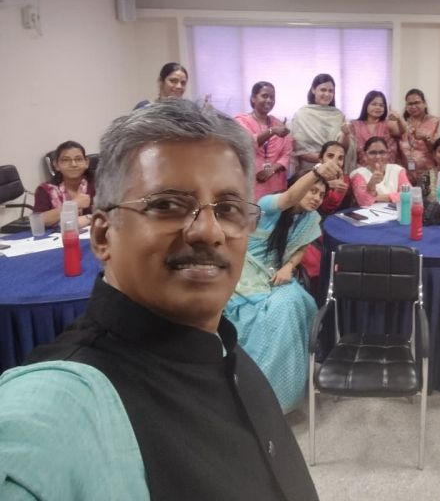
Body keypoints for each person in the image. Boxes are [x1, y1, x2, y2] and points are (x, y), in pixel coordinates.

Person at [0, 100, 319, 500]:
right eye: (167, 205)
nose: (209, 231)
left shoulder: (222, 346)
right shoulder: (65, 403)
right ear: (102, 236)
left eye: (228, 208)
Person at [225, 158, 341, 412]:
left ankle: (284, 383)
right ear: (299, 184)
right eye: (312, 190)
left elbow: (300, 249)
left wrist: (289, 267)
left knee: (300, 303)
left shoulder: (309, 219)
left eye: (321, 194)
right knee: (282, 309)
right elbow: (289, 198)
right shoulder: (268, 204)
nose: (316, 198)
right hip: (245, 276)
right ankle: (261, 393)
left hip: (277, 276)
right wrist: (317, 172)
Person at [234, 81, 293, 200]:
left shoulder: (278, 123)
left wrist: (271, 170)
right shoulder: (241, 121)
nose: (269, 100)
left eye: (272, 97)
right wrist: (272, 131)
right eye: (264, 96)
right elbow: (248, 144)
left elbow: (287, 153)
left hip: (276, 183)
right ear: (253, 98)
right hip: (252, 182)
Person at [291, 73, 348, 176]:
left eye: (331, 91)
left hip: (334, 169)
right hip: (309, 170)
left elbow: (343, 148)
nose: (327, 94)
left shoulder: (339, 116)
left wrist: (347, 134)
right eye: (323, 90)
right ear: (313, 90)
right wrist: (325, 160)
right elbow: (300, 150)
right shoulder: (301, 114)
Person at [34, 140, 95, 228]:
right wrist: (73, 205)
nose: (73, 164)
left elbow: (116, 213)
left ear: (86, 163)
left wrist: (89, 217)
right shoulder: (45, 190)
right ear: (56, 165)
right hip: (57, 238)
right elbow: (38, 221)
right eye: (66, 160)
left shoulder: (99, 183)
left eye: (78, 159)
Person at [397, 88, 440, 183]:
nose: (413, 106)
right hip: (406, 178)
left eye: (417, 102)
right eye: (410, 104)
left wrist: (426, 138)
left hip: (431, 177)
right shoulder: (402, 125)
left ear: (425, 104)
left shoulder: (438, 122)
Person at [345, 90, 401, 166]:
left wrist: (399, 119)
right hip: (362, 171)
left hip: (386, 171)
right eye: (374, 104)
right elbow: (346, 148)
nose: (378, 107)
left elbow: (402, 133)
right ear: (366, 105)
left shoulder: (388, 124)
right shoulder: (355, 125)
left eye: (381, 105)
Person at [350, 136, 410, 206]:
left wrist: (378, 197)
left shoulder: (397, 170)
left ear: (387, 154)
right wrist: (371, 185)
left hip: (397, 213)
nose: (378, 156)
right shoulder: (358, 174)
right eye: (372, 153)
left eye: (382, 152)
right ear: (365, 155)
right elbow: (364, 202)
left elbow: (409, 194)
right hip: (370, 215)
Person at [317, 140, 352, 215]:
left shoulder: (345, 180)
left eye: (340, 158)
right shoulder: (311, 178)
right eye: (330, 156)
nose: (335, 161)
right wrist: (327, 185)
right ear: (320, 158)